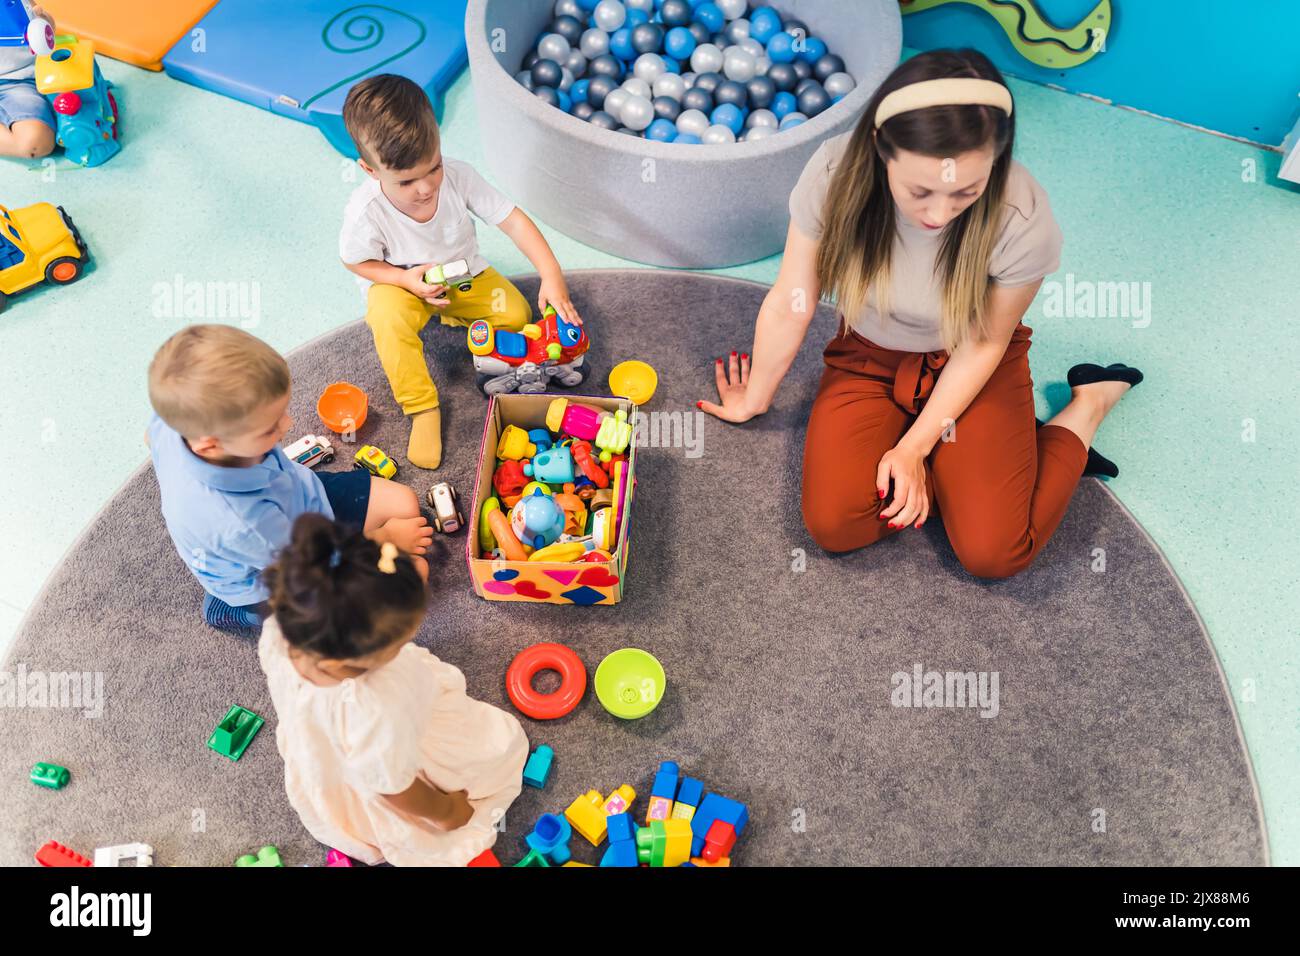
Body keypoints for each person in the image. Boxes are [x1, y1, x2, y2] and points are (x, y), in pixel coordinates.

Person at [699, 49, 1143, 579]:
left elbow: (984, 344)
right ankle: (962, 470)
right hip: (869, 356)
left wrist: (912, 450)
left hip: (975, 360)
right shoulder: (833, 174)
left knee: (993, 554)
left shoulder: (1023, 218)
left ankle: (1088, 404)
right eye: (920, 191)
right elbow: (793, 298)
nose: (938, 214)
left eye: (965, 193)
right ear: (879, 149)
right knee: (835, 525)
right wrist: (756, 397)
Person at [340, 74, 582, 470]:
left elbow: (514, 220)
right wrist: (403, 280)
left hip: (463, 276)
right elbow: (356, 261)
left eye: (432, 168)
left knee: (516, 316)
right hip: (402, 285)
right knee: (385, 319)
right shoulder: (365, 213)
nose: (424, 188)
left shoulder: (458, 176)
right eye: (406, 181)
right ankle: (421, 408)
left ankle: (473, 338)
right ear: (370, 170)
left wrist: (550, 272)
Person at [259, 514, 528, 866]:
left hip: (321, 737)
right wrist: (447, 811)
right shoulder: (378, 708)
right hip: (388, 763)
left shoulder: (280, 630)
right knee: (498, 750)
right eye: (401, 639)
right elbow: (394, 789)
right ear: (366, 657)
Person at [146, 324, 432, 633]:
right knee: (413, 574)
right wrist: (381, 540)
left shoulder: (172, 422)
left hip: (297, 499)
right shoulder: (243, 523)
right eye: (270, 428)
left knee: (405, 504)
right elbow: (312, 568)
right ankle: (242, 608)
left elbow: (151, 437)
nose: (288, 424)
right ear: (210, 445)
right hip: (289, 567)